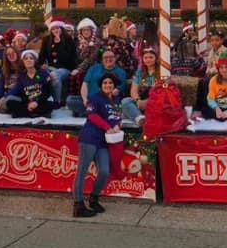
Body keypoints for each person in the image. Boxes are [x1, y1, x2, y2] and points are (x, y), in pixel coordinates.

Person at [72, 72, 122, 217]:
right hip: (90, 137)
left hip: (104, 141)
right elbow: (92, 115)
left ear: (114, 86)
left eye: (110, 83)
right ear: (101, 86)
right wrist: (108, 127)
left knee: (105, 170)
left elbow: (117, 117)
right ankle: (78, 205)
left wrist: (118, 124)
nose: (108, 85)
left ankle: (94, 198)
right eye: (105, 83)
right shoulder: (94, 98)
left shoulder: (117, 100)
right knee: (82, 171)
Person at [67, 49, 128, 118]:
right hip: (90, 101)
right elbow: (85, 85)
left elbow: (115, 92)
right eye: (106, 57)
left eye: (111, 57)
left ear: (115, 58)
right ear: (102, 59)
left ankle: (87, 113)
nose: (108, 59)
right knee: (70, 100)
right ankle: (94, 113)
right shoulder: (94, 68)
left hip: (107, 102)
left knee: (114, 106)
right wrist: (85, 100)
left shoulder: (121, 72)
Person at [39, 20, 77, 106]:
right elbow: (42, 55)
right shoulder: (47, 40)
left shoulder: (68, 40)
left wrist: (60, 43)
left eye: (57, 28)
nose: (55, 30)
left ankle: (57, 102)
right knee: (40, 74)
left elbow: (68, 59)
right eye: (53, 29)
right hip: (51, 67)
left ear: (61, 29)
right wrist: (42, 64)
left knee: (54, 75)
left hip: (65, 68)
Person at [8, 50, 53, 118]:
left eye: (31, 58)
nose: (28, 60)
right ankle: (35, 113)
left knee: (49, 104)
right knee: (10, 101)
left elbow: (47, 92)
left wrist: (36, 102)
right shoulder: (21, 76)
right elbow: (20, 92)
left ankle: (25, 113)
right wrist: (28, 104)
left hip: (41, 101)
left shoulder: (43, 73)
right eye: (26, 59)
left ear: (35, 61)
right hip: (28, 102)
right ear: (23, 62)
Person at [122, 46, 160, 125]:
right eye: (145, 58)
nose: (148, 59)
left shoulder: (161, 71)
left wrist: (148, 102)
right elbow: (133, 90)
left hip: (155, 101)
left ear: (156, 58)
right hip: (141, 100)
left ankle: (137, 119)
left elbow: (161, 92)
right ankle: (141, 119)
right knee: (125, 101)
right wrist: (138, 101)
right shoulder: (140, 72)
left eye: (151, 57)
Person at [0, 46, 26, 113]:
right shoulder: (5, 69)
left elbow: (18, 88)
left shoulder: (23, 67)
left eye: (13, 53)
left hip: (18, 95)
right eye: (8, 54)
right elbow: (1, 87)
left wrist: (2, 100)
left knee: (6, 103)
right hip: (6, 94)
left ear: (17, 53)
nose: (11, 55)